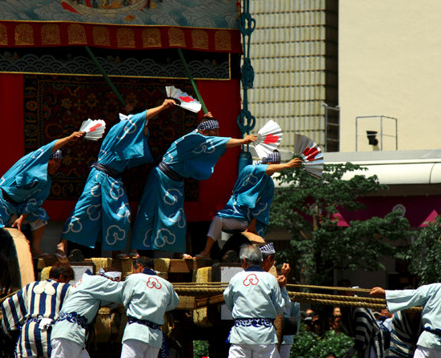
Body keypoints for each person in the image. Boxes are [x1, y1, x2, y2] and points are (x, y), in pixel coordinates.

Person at [59, 99, 176, 259]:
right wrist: (162, 107)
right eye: (144, 127)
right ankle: (62, 244)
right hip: (100, 176)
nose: (145, 131)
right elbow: (139, 118)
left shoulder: (125, 137)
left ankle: (116, 251)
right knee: (83, 208)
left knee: (122, 214)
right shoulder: (119, 129)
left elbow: (138, 154)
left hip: (113, 180)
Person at [132, 117, 256, 253]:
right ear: (203, 131)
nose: (217, 135)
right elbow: (220, 142)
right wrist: (243, 141)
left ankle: (176, 252)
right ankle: (136, 250)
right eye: (214, 131)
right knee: (148, 212)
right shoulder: (193, 139)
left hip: (175, 183)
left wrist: (205, 118)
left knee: (177, 218)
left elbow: (214, 142)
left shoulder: (198, 139)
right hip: (160, 178)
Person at [0, 130, 85, 272]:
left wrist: (21, 217)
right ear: (47, 159)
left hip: (16, 206)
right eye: (55, 161)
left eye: (60, 162)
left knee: (40, 214)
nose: (58, 165)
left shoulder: (46, 182)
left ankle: (36, 248)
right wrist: (69, 138)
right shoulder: (29, 162)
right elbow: (48, 148)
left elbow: (34, 202)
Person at [208, 244, 284, 358]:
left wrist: (241, 314)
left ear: (243, 261)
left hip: (241, 332)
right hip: (264, 332)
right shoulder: (270, 279)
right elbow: (279, 306)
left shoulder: (237, 278)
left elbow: (228, 299)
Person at [194, 150, 301, 258]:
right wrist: (287, 165)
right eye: (274, 165)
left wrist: (253, 223)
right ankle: (206, 251)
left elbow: (263, 206)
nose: (275, 169)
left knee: (262, 249)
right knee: (218, 219)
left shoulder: (269, 184)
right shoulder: (250, 170)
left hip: (252, 221)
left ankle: (264, 264)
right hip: (236, 214)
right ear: (266, 162)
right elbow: (261, 170)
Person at [111, 257, 179, 358]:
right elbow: (172, 304)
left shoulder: (133, 279)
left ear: (139, 267)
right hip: (155, 333)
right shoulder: (166, 284)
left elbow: (125, 299)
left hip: (136, 330)